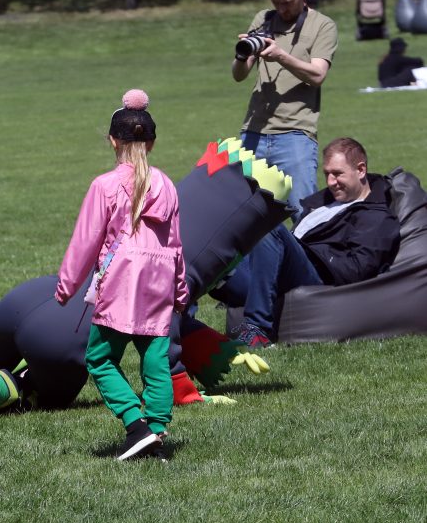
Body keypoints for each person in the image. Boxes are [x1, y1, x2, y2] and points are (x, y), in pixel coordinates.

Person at [54, 89, 188, 461]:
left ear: (113, 140)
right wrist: (180, 290)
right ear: (153, 143)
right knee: (155, 357)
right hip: (159, 280)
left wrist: (66, 286)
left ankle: (137, 426)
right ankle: (158, 432)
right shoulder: (167, 185)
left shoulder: (106, 185)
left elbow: (86, 240)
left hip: (121, 279)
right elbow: (176, 244)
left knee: (100, 358)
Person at [215, 138, 401, 347]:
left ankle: (258, 329)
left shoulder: (375, 217)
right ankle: (181, 327)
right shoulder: (324, 203)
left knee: (271, 228)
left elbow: (358, 268)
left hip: (318, 273)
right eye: (327, 174)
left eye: (338, 173)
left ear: (360, 170)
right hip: (290, 265)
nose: (331, 181)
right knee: (212, 245)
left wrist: (319, 254)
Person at [232, 0, 338, 220]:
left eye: (287, 2)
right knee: (246, 221)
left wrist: (281, 55)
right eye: (275, 1)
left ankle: (311, 262)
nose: (281, 8)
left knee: (304, 217)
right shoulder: (263, 19)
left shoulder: (322, 26)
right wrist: (243, 55)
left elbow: (317, 74)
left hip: (295, 135)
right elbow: (238, 75)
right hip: (253, 132)